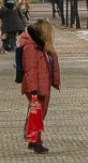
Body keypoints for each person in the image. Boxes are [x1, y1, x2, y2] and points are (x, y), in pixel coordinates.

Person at [19, 18, 60, 152]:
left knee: (39, 114)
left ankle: (33, 139)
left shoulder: (41, 46)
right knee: (37, 114)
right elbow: (30, 70)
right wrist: (33, 90)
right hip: (36, 87)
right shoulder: (31, 48)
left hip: (43, 85)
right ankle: (36, 142)